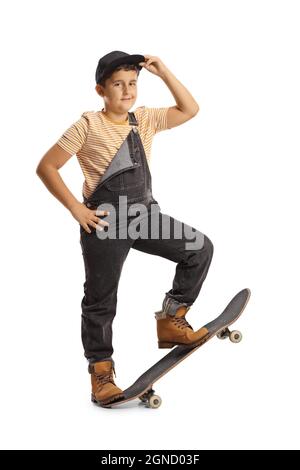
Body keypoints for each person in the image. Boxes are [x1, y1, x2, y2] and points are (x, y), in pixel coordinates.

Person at [36, 51, 214, 407]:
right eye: (118, 84)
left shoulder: (143, 119)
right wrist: (75, 209)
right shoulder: (88, 125)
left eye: (132, 83)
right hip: (104, 223)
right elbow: (47, 167)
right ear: (101, 89)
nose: (127, 90)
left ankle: (171, 318)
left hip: (145, 216)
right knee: (101, 301)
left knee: (199, 248)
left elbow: (190, 109)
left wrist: (163, 72)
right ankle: (101, 372)